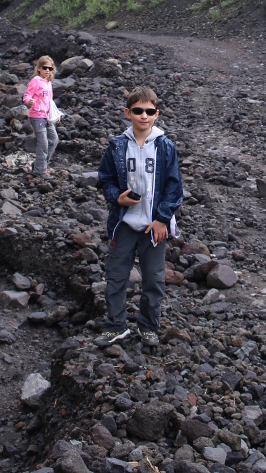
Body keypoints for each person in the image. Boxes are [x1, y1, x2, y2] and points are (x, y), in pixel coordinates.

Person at [95, 86, 183, 347]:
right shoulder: (117, 146)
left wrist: (162, 219)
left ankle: (148, 326)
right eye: (137, 111)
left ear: (157, 114)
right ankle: (116, 325)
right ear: (128, 113)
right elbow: (106, 178)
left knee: (154, 279)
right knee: (116, 275)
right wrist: (116, 197)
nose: (143, 116)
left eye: (149, 111)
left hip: (153, 227)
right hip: (124, 222)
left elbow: (174, 187)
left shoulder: (165, 147)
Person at [22, 56, 58, 177]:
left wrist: (55, 114)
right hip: (37, 116)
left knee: (54, 140)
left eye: (50, 68)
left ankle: (40, 164)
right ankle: (40, 171)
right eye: (45, 68)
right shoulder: (36, 81)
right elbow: (27, 95)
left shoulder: (48, 82)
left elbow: (50, 101)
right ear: (39, 68)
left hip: (47, 117)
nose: (47, 70)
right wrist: (29, 101)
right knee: (43, 143)